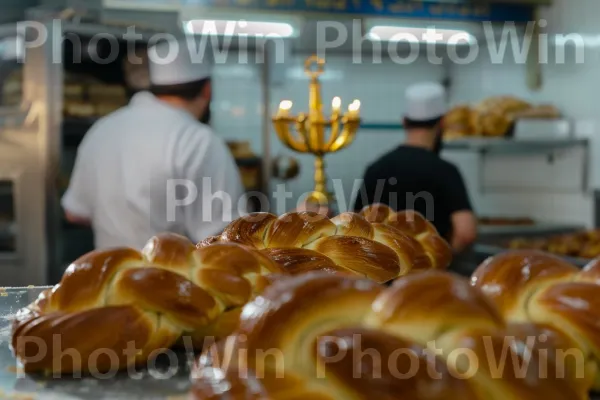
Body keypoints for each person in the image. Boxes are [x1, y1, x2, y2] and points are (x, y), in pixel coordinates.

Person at [61, 38, 245, 250]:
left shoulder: (102, 129)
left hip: (110, 275)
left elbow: (74, 213)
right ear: (207, 90)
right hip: (172, 280)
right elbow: (225, 239)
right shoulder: (199, 140)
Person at [353, 82, 477, 253]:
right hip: (429, 277)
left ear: (404, 121)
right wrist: (443, 261)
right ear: (442, 123)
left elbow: (356, 227)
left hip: (384, 275)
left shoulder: (376, 168)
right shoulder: (445, 171)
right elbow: (465, 233)